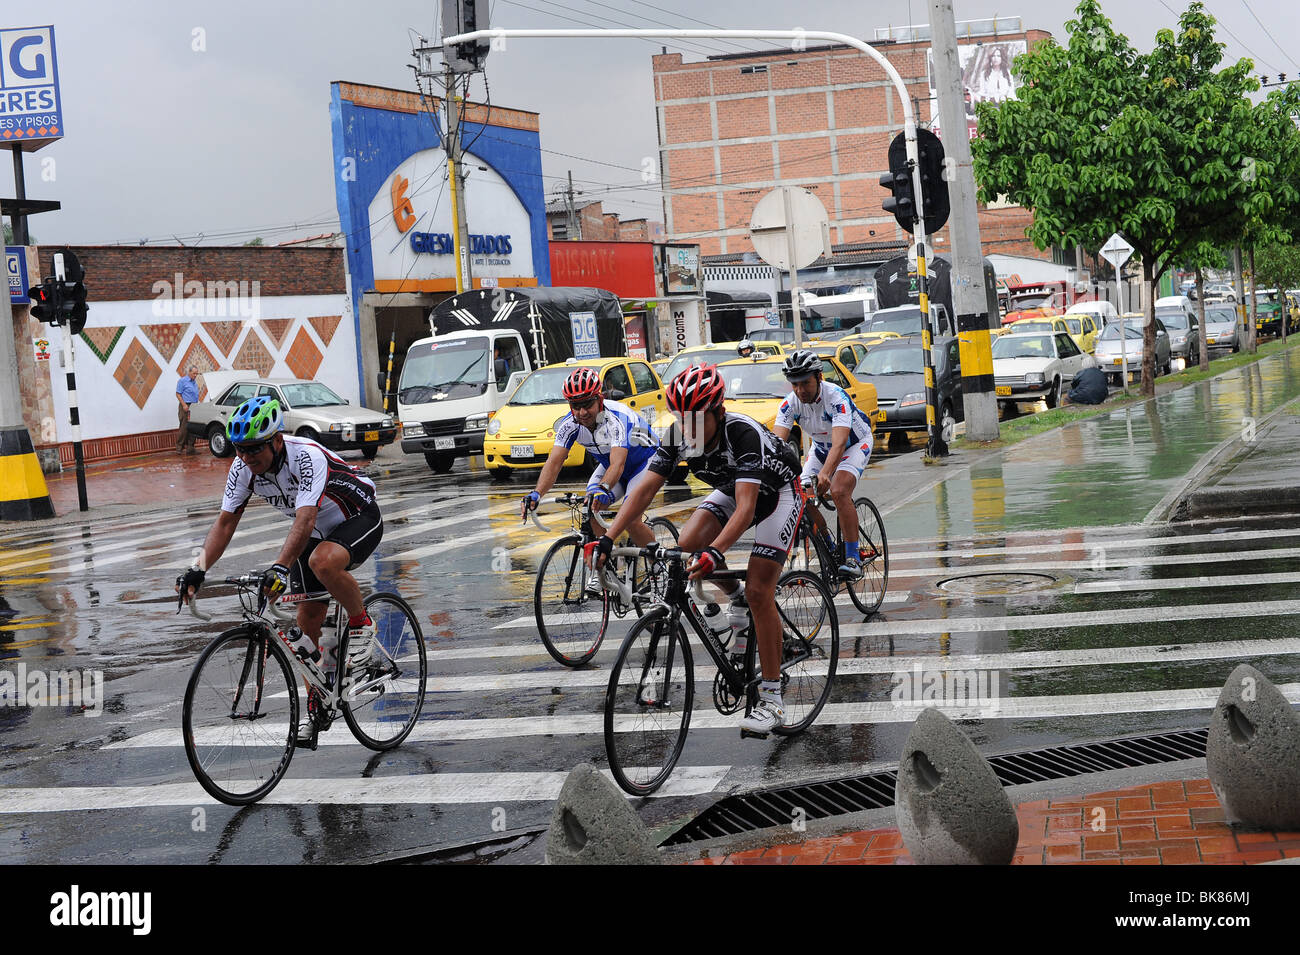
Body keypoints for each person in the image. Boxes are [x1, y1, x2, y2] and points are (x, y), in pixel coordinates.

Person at [590, 363, 802, 736]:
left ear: (718, 413)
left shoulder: (742, 434)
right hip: (734, 488)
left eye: (696, 420)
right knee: (686, 546)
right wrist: (609, 537)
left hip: (777, 495)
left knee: (759, 590)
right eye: (680, 419)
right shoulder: (677, 435)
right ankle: (734, 597)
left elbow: (748, 507)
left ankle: (772, 699)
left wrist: (717, 552)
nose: (687, 430)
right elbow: (642, 491)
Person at [174, 396, 384, 744]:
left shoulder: (306, 455)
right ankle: (319, 705)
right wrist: (198, 568)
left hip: (357, 516)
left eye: (255, 448)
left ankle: (362, 623)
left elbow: (305, 518)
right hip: (313, 533)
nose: (246, 456)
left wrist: (280, 567)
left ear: (276, 440)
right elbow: (226, 523)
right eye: (240, 449)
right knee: (306, 622)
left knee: (322, 561)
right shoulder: (242, 468)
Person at [521, 366, 659, 593]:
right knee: (591, 507)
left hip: (644, 463)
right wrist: (536, 494)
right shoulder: (569, 424)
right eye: (576, 406)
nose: (582, 412)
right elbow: (554, 462)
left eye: (587, 404)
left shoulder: (616, 418)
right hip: (612, 466)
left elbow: (618, 464)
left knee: (630, 517)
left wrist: (604, 487)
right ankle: (606, 565)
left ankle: (657, 566)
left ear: (600, 399)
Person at [771, 350, 875, 579]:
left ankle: (852, 556)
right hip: (821, 448)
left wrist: (826, 474)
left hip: (854, 445)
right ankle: (828, 547)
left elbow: (839, 444)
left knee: (838, 490)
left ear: (819, 377)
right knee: (800, 496)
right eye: (794, 384)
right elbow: (776, 445)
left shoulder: (836, 397)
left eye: (805, 383)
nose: (800, 390)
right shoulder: (790, 405)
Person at [175, 366, 199, 454]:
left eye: (197, 373)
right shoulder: (182, 381)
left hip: (193, 406)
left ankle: (190, 448)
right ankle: (179, 447)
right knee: (184, 427)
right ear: (189, 372)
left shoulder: (194, 382)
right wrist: (184, 404)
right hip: (185, 405)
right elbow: (178, 394)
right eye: (194, 373)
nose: (195, 375)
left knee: (193, 427)